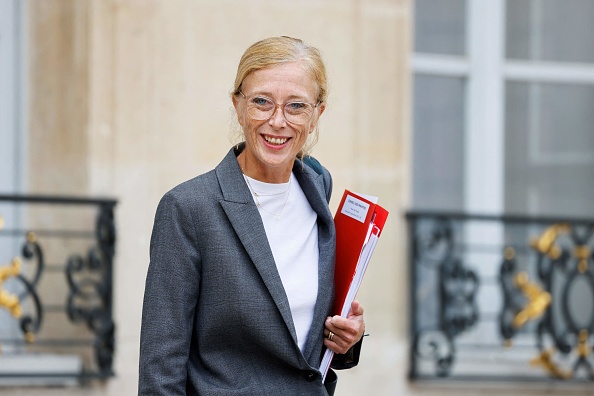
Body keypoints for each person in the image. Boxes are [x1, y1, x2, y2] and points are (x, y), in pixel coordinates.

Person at [138, 36, 366, 396]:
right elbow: (160, 369)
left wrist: (346, 340)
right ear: (238, 105)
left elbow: (300, 337)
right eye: (261, 102)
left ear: (317, 113)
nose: (278, 121)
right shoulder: (189, 208)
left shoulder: (318, 187)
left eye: (296, 106)